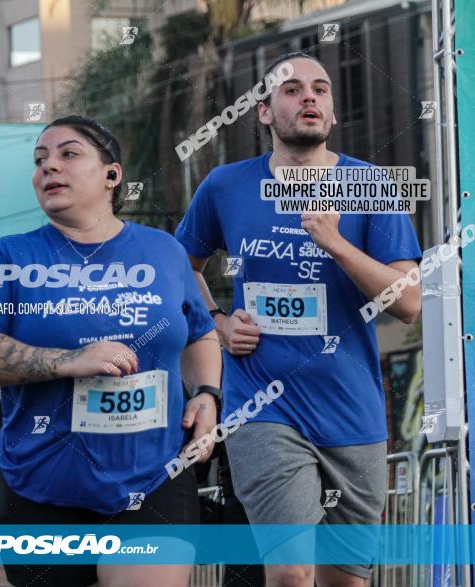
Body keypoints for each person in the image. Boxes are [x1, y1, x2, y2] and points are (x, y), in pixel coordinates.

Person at [176, 52, 422, 587]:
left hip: (351, 409)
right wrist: (217, 321)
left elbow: (408, 302)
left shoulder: (370, 184)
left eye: (320, 89)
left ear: (332, 113)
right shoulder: (224, 185)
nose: (308, 97)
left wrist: (336, 245)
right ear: (263, 112)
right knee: (290, 572)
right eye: (291, 90)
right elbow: (179, 268)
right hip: (263, 406)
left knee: (344, 579)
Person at [0, 115, 222, 587]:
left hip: (153, 475)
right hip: (41, 486)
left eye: (68, 154)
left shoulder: (164, 252)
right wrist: (69, 361)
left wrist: (207, 395)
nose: (48, 167)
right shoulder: (11, 256)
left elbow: (200, 333)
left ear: (112, 175)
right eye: (39, 161)